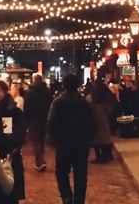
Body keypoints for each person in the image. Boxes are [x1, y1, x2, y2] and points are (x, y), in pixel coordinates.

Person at [47, 74, 95, 204]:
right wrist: (89, 139)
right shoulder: (85, 102)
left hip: (63, 144)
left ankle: (67, 197)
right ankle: (79, 200)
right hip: (81, 144)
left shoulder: (58, 102)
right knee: (81, 175)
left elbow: (51, 122)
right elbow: (92, 122)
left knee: (61, 173)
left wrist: (52, 140)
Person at [0, 79, 26, 202]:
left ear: (4, 92)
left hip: (9, 153)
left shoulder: (14, 111)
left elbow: (21, 129)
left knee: (10, 190)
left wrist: (11, 141)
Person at [24, 74, 54, 173]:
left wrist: (26, 120)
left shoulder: (30, 92)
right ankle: (39, 161)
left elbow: (26, 107)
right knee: (41, 141)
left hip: (33, 120)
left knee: (36, 142)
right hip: (44, 120)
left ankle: (41, 162)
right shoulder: (47, 92)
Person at [88, 81, 116, 163]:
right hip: (104, 120)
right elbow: (109, 110)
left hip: (93, 120)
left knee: (96, 139)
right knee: (104, 138)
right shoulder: (106, 100)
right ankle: (106, 154)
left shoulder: (91, 99)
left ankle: (99, 156)